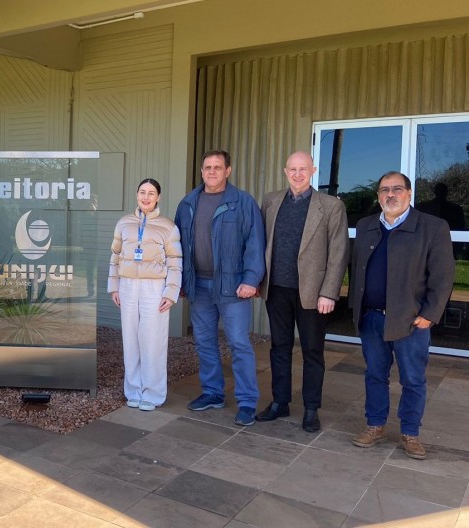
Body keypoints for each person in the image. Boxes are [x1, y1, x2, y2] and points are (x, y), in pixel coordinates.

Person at [350, 171, 454, 459]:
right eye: (384, 190)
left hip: (411, 320)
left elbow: (443, 277)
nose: (390, 194)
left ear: (409, 193)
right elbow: (356, 269)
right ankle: (375, 425)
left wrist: (430, 314)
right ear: (378, 196)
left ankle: (410, 433)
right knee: (374, 374)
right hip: (372, 318)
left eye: (397, 189)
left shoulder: (432, 227)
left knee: (412, 379)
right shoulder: (366, 225)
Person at [256, 151, 349, 432]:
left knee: (312, 351)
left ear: (313, 171)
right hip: (276, 289)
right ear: (286, 172)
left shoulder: (331, 206)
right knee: (279, 348)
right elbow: (261, 242)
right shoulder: (271, 201)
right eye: (293, 169)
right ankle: (280, 402)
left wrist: (329, 293)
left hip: (313, 293)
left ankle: (311, 409)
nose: (298, 174)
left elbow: (339, 253)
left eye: (303, 169)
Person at [175, 149, 265, 426]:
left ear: (228, 171)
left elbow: (255, 243)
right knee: (204, 341)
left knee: (239, 343)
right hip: (199, 285)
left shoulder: (242, 202)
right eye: (207, 167)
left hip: (233, 285)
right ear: (201, 171)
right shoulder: (188, 203)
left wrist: (251, 279)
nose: (212, 171)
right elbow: (177, 246)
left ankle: (247, 401)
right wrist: (180, 280)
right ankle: (213, 392)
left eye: (217, 167)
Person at [108, 179, 182, 411]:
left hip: (154, 287)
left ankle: (152, 393)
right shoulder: (124, 223)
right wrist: (114, 286)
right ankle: (133, 390)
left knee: (153, 340)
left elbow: (175, 261)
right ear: (136, 194)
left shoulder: (168, 226)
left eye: (151, 193)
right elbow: (115, 256)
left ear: (158, 197)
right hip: (128, 285)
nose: (146, 197)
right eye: (142, 192)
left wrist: (171, 292)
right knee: (130, 340)